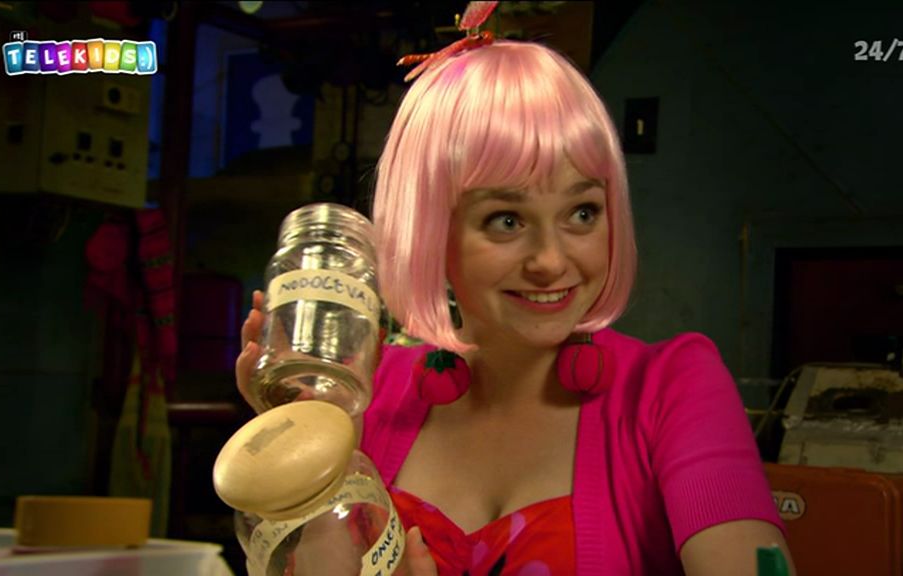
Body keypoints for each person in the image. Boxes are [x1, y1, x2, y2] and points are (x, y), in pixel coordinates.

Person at [236, 38, 796, 576]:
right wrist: (307, 443)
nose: (551, 260)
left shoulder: (673, 386)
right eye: (506, 220)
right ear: (431, 231)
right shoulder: (366, 392)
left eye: (582, 212)